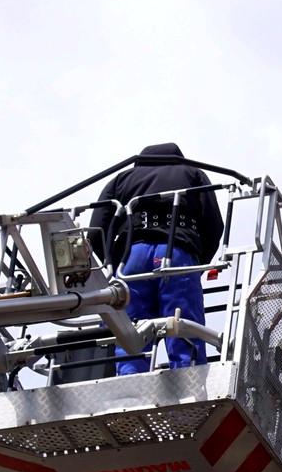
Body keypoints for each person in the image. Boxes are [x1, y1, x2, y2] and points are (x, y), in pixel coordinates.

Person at [88, 143, 224, 374]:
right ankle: (188, 379)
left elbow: (95, 230)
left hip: (131, 259)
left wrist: (112, 264)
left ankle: (130, 386)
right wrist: (197, 264)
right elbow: (214, 225)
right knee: (182, 324)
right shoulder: (194, 174)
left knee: (129, 332)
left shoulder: (121, 179)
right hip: (177, 252)